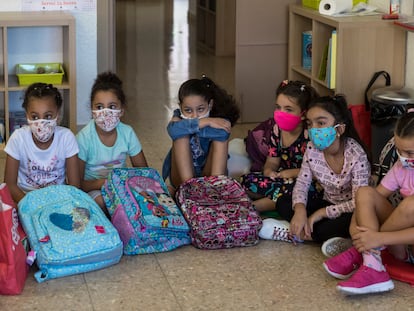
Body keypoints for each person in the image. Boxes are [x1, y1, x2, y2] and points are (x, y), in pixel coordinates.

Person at [323, 107, 414, 295]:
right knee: (365, 192)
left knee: (410, 204)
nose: (404, 158)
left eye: (410, 153)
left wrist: (379, 238)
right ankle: (372, 263)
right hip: (402, 245)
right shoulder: (402, 167)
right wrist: (355, 226)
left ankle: (363, 251)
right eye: (400, 151)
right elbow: (374, 197)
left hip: (401, 240)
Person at [262, 95, 371, 244]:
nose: (313, 129)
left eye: (320, 123)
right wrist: (300, 210)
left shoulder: (356, 155)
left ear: (339, 128)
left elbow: (358, 202)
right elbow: (302, 183)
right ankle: (305, 230)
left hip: (350, 210)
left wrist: (321, 213)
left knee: (335, 227)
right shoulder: (312, 149)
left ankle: (296, 232)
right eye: (310, 123)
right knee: (284, 202)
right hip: (327, 202)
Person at [241, 80, 320, 213]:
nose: (280, 112)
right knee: (246, 180)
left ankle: (253, 208)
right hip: (281, 178)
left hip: (305, 181)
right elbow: (272, 161)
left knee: (298, 192)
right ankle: (270, 197)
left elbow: (317, 172)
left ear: (304, 114)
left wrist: (290, 173)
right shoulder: (277, 130)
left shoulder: (310, 135)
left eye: (288, 109)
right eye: (278, 107)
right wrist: (269, 171)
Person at [77, 71, 148, 210]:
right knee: (103, 203)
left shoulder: (127, 133)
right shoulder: (83, 138)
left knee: (159, 193)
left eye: (112, 107)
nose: (105, 113)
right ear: (92, 110)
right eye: (99, 107)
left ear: (121, 110)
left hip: (122, 186)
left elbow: (144, 171)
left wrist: (136, 187)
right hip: (95, 189)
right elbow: (78, 183)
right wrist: (105, 183)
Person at [4, 82, 80, 203]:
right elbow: (10, 185)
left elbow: (74, 185)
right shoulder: (18, 138)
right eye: (34, 117)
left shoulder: (66, 138)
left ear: (58, 115)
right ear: (26, 115)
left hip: (58, 199)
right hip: (25, 197)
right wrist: (30, 205)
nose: (41, 123)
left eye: (48, 116)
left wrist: (58, 203)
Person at [162, 75, 240, 190]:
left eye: (200, 109)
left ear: (210, 105)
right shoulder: (178, 116)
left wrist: (198, 126)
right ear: (180, 107)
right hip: (182, 179)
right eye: (188, 110)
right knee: (180, 135)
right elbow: (173, 130)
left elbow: (224, 133)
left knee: (220, 135)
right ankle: (188, 191)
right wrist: (202, 122)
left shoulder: (217, 119)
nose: (194, 115)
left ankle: (217, 189)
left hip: (208, 176)